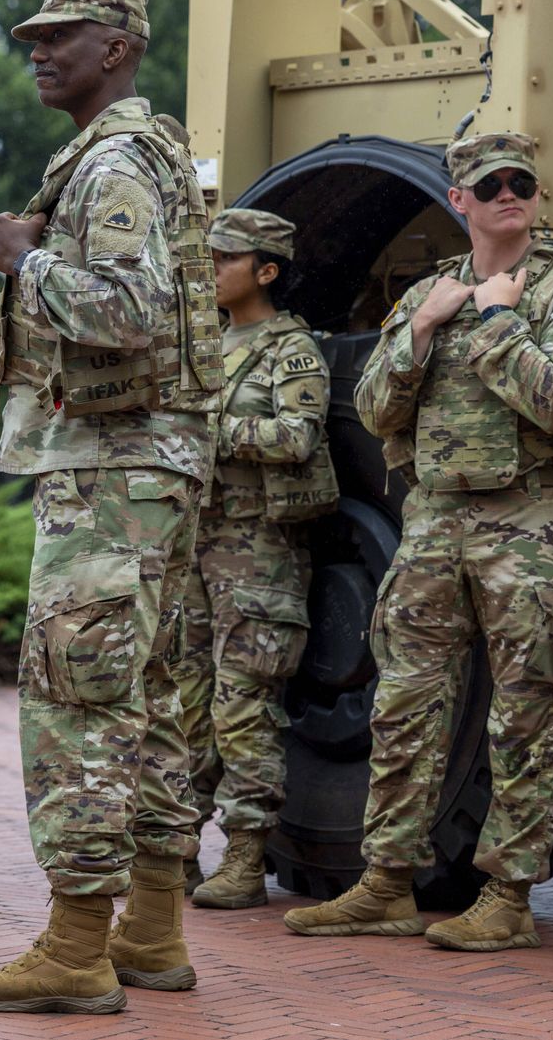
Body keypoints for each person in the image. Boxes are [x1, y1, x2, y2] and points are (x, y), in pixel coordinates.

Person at [0, 0, 221, 1015]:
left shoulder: (113, 163)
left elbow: (125, 309)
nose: (37, 51)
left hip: (115, 470)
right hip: (149, 466)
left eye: (59, 37)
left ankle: (76, 947)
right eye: (33, 37)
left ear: (117, 48)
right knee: (146, 700)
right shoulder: (135, 156)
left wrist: (23, 263)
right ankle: (151, 930)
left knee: (77, 696)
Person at [283, 131, 553, 952]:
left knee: (527, 710)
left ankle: (508, 895)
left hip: (529, 522)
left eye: (523, 183)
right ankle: (386, 883)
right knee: (403, 704)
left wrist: (499, 322)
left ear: (536, 198)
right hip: (433, 519)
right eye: (490, 184)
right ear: (459, 200)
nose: (509, 193)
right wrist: (422, 332)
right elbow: (374, 408)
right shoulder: (430, 291)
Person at [176, 209, 337, 911]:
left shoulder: (289, 347)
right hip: (195, 544)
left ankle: (244, 855)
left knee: (243, 708)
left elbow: (297, 435)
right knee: (184, 704)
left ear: (265, 270)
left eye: (222, 258)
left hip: (258, 552)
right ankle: (176, 849)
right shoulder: (203, 341)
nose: (209, 269)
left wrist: (206, 429)